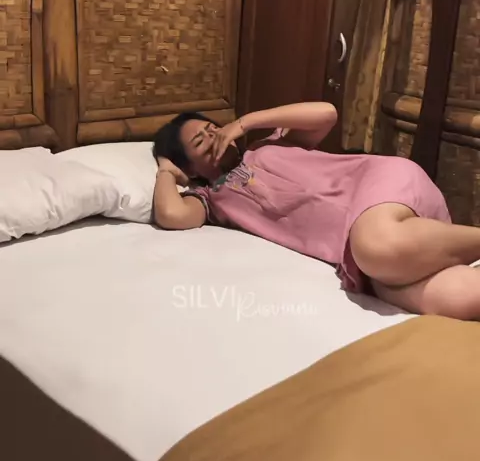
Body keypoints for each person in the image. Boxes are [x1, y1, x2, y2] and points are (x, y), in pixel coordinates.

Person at [152, 102, 480, 320]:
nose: (213, 136)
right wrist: (166, 170)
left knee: (375, 248)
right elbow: (172, 215)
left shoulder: (267, 145)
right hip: (365, 254)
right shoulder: (213, 200)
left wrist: (245, 122)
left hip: (379, 185)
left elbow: (326, 113)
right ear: (191, 168)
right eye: (200, 141)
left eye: (212, 128)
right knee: (446, 298)